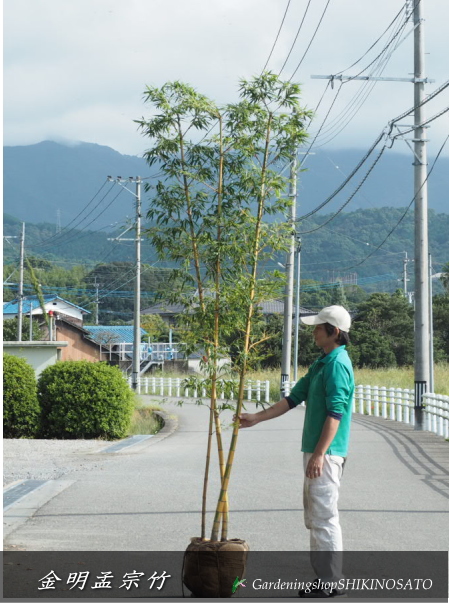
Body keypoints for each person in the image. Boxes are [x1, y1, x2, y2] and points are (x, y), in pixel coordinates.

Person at [236, 305, 354, 599]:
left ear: (333, 332)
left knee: (324, 515)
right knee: (315, 516)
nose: (312, 331)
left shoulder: (337, 364)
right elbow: (292, 399)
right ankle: (324, 578)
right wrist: (256, 417)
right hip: (317, 452)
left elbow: (335, 414)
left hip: (325, 453)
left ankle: (329, 582)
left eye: (317, 327)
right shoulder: (322, 363)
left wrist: (319, 454)